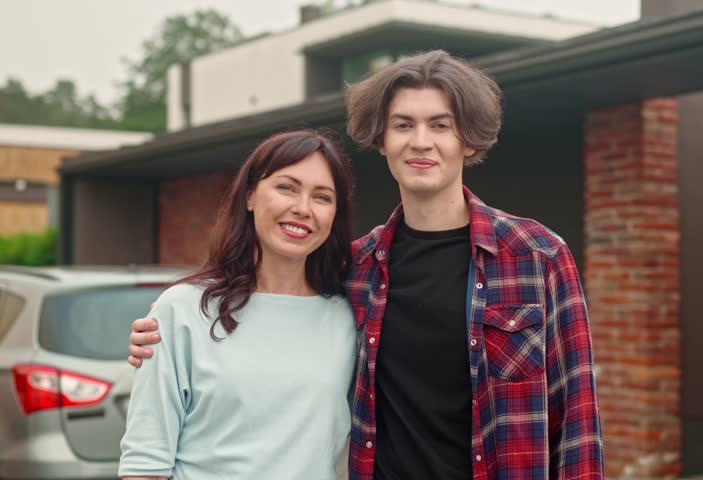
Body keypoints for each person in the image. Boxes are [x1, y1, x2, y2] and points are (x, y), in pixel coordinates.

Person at [129, 50, 604, 479]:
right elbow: (266, 330)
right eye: (403, 125)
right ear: (381, 140)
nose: (421, 141)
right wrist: (160, 340)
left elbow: (578, 423)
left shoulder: (537, 257)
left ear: (468, 140)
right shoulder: (353, 271)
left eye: (441, 125)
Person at [119, 129, 356, 480]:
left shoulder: (348, 317)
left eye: (322, 197)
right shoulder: (182, 310)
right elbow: (145, 463)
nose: (302, 208)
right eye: (286, 187)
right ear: (249, 196)